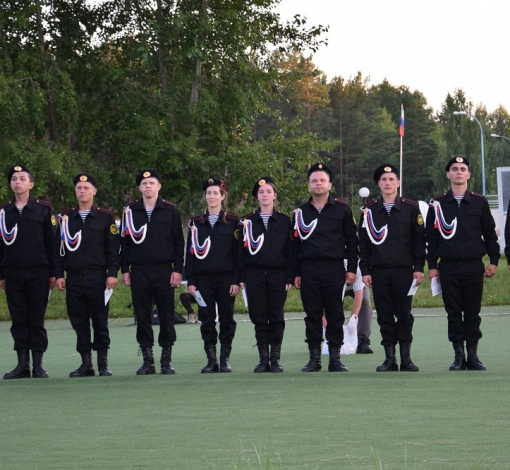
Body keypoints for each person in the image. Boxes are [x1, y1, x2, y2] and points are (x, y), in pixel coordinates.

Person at [426, 156, 499, 371]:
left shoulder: (479, 202)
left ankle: (473, 355)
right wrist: (432, 265)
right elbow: (431, 237)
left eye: (463, 169)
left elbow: (489, 234)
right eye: (454, 169)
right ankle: (458, 356)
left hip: (473, 266)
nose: (458, 172)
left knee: (473, 312)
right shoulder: (437, 204)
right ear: (448, 174)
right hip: (447, 267)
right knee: (453, 312)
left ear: (468, 174)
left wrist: (494, 261)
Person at [358, 164, 425, 372]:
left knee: (404, 315)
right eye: (384, 180)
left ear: (398, 182)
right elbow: (364, 243)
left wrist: (419, 267)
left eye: (391, 179)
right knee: (385, 315)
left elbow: (418, 241)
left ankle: (406, 358)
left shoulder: (411, 208)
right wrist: (366, 270)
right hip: (378, 272)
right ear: (378, 183)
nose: (387, 183)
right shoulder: (368, 211)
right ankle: (390, 359)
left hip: (404, 271)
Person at [292, 163, 358, 372]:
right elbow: (294, 246)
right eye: (314, 181)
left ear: (329, 184)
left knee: (335, 313)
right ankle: (314, 359)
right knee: (312, 314)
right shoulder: (300, 213)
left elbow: (352, 241)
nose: (318, 184)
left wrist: (352, 269)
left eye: (322, 180)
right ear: (309, 185)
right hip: (309, 269)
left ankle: (335, 359)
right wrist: (296, 272)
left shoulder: (343, 209)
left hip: (334, 268)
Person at [55, 174, 120, 377]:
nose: (82, 191)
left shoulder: (105, 216)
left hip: (98, 278)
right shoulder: (65, 218)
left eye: (86, 187)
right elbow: (57, 249)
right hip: (73, 278)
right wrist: (58, 275)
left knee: (100, 321)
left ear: (94, 191)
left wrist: (112, 274)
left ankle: (102, 364)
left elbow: (113, 248)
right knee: (79, 322)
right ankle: (86, 364)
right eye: (79, 188)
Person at [121, 169, 184, 375]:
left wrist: (177, 270)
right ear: (139, 187)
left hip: (163, 270)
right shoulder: (130, 212)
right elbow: (125, 242)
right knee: (142, 314)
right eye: (144, 183)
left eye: (152, 183)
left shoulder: (170, 210)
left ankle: (166, 358)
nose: (148, 186)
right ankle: (148, 359)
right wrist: (125, 270)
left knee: (166, 314)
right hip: (139, 270)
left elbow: (178, 243)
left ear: (159, 186)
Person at [1, 165, 56, 379]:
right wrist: (2, 274)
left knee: (36, 318)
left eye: (22, 178)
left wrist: (54, 272)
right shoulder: (4, 211)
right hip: (13, 273)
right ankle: (22, 364)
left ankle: (38, 365)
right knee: (18, 319)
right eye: (14, 179)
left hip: (38, 272)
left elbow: (52, 244)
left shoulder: (43, 209)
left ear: (30, 184)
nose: (17, 182)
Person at [239, 176, 295, 373]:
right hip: (254, 274)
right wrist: (242, 277)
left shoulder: (285, 221)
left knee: (276, 316)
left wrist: (289, 276)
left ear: (275, 195)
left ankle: (275, 358)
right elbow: (241, 252)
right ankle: (263, 359)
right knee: (259, 316)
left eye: (268, 191)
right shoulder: (246, 221)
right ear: (256, 196)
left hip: (278, 275)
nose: (265, 194)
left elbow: (290, 251)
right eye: (261, 192)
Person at [186, 178, 240, 373]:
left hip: (226, 279)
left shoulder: (234, 222)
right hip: (202, 280)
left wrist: (236, 280)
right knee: (206, 319)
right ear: (205, 197)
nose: (212, 196)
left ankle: (224, 359)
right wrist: (190, 281)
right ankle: (211, 360)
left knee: (227, 319)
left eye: (216, 193)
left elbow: (237, 255)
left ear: (223, 196)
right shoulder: (195, 223)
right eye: (209, 193)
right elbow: (190, 253)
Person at [342, 261, 374, 354]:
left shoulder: (357, 269)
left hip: (356, 281)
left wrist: (352, 320)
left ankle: (362, 340)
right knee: (332, 305)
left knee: (365, 303)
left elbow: (359, 295)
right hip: (335, 282)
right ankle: (332, 338)